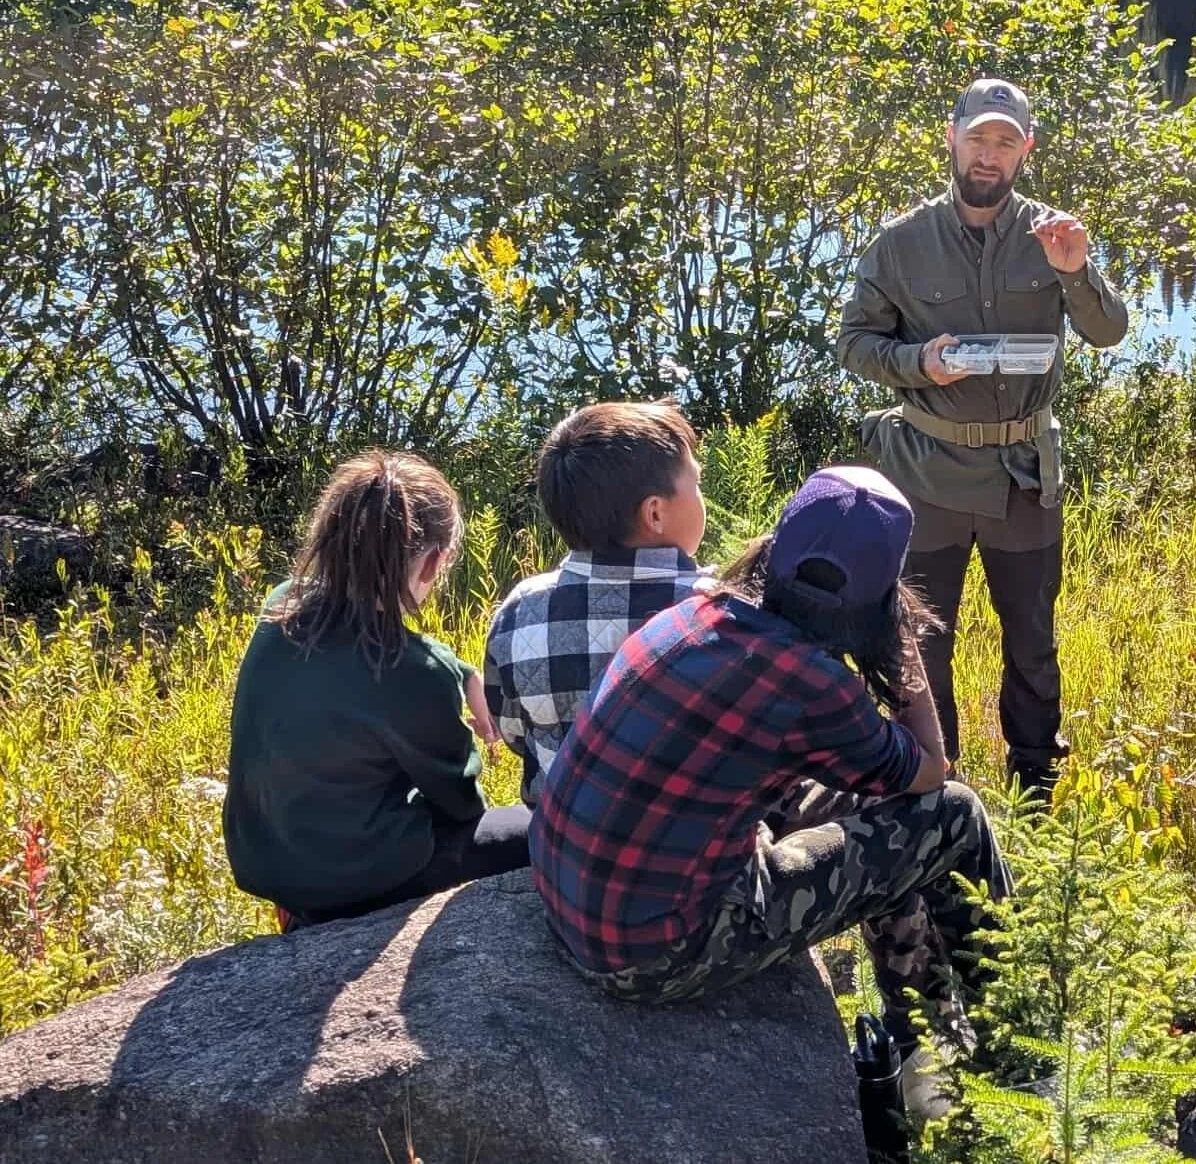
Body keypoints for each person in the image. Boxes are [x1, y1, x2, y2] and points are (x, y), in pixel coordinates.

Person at [530, 466, 1011, 1113]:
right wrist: (897, 643)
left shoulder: (696, 612)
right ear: (880, 594)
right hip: (658, 954)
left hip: (566, 897)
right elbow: (931, 770)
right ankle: (1011, 1031)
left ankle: (917, 1034)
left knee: (882, 820)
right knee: (951, 816)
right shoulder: (814, 685)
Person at [836, 77, 1129, 794]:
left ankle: (1036, 784)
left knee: (1032, 639)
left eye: (1005, 142)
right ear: (952, 138)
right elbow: (854, 346)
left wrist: (1076, 272)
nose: (988, 156)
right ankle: (934, 786)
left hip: (1024, 473)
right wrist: (918, 363)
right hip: (928, 473)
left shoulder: (1056, 236)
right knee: (921, 643)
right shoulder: (902, 243)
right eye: (978, 139)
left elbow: (1109, 332)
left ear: (1025, 149)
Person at [223, 452, 529, 927]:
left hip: (270, 866)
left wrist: (462, 671)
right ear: (431, 563)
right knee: (538, 834)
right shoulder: (413, 674)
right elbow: (461, 806)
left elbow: (387, 653)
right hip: (356, 881)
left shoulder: (283, 603)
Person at [484, 401, 714, 806]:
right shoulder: (721, 608)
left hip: (564, 851)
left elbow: (514, 732)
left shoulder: (518, 612)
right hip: (694, 853)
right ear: (655, 513)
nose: (701, 497)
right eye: (696, 484)